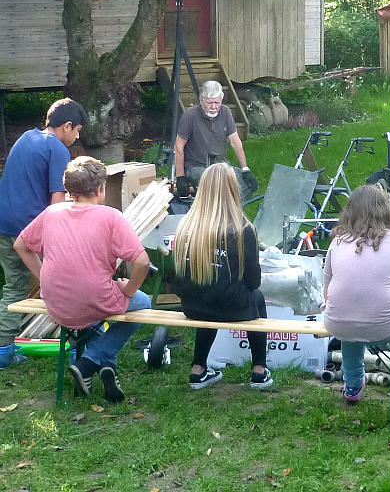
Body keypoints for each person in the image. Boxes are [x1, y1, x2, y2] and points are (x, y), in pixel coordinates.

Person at [13, 157, 151, 401]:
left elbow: (20, 245)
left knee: (88, 312)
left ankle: (105, 366)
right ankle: (91, 361)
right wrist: (128, 289)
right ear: (100, 189)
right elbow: (142, 262)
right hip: (93, 298)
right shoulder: (111, 217)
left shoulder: (51, 213)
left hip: (57, 301)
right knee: (143, 303)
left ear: (69, 190)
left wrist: (44, 276)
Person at [0, 98, 87, 369]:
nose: (77, 137)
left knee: (14, 285)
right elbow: (57, 202)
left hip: (3, 222)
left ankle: (3, 349)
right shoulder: (57, 149)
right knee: (63, 281)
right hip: (28, 227)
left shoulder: (26, 138)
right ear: (67, 126)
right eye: (77, 131)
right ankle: (77, 344)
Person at [173, 163, 272, 390]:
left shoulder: (187, 226)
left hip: (193, 306)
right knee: (256, 297)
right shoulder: (243, 229)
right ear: (233, 190)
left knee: (209, 292)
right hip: (232, 307)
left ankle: (198, 369)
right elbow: (253, 281)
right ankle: (259, 370)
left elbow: (178, 278)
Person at [323, 185, 390, 403]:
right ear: (385, 210)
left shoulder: (337, 242)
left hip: (339, 324)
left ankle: (352, 385)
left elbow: (327, 286)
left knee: (350, 329)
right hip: (386, 325)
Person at [174, 80, 259, 200]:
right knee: (218, 184)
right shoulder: (190, 115)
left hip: (221, 165)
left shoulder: (225, 112)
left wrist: (245, 169)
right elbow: (178, 146)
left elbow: (235, 142)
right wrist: (180, 177)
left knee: (248, 184)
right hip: (196, 166)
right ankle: (219, 207)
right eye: (209, 103)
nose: (213, 107)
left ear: (221, 100)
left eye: (217, 102)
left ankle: (230, 207)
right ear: (201, 100)